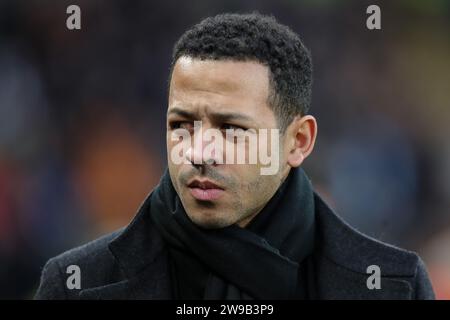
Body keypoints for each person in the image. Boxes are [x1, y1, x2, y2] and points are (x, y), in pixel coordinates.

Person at [35, 13, 434, 300]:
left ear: (298, 141)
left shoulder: (394, 286)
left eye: (232, 129)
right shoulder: (76, 284)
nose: (199, 152)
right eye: (182, 124)